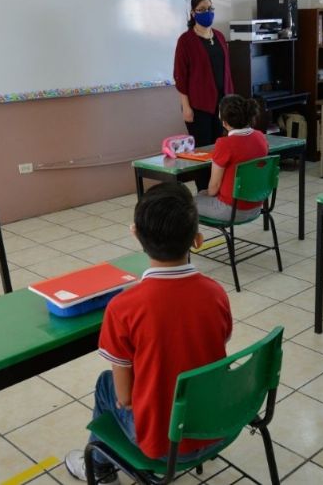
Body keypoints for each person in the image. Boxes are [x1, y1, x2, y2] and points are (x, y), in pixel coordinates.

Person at [64, 182, 232, 484]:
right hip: (216, 429)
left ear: (136, 235)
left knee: (106, 385)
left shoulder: (123, 307)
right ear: (198, 240)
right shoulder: (216, 293)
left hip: (164, 448)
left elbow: (125, 397)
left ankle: (100, 468)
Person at [174, 0, 235, 191]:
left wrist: (230, 102)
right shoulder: (186, 40)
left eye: (210, 8)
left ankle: (216, 190)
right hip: (198, 106)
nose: (206, 13)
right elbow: (180, 76)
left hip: (221, 104)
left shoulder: (218, 36)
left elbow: (226, 71)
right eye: (201, 10)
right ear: (193, 13)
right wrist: (186, 106)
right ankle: (203, 192)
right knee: (202, 153)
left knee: (219, 150)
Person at [195, 95, 268, 222]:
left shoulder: (224, 144)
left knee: (184, 203)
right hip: (256, 206)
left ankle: (189, 240)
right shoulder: (260, 137)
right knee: (201, 195)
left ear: (223, 121)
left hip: (231, 210)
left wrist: (207, 193)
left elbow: (214, 188)